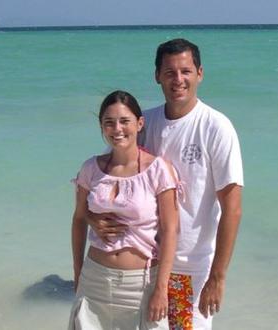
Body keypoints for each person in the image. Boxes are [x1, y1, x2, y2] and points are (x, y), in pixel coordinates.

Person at [88, 39, 243, 330]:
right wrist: (93, 217)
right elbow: (110, 181)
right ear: (157, 75)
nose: (178, 80)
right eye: (169, 72)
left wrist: (217, 277)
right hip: (144, 265)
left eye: (185, 71)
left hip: (189, 267)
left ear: (200, 73)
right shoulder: (145, 123)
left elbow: (232, 208)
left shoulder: (216, 127)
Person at [68, 90, 179, 330]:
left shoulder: (158, 169)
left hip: (140, 286)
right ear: (101, 127)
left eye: (124, 121)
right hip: (94, 280)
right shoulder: (90, 168)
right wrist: (78, 273)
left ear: (139, 123)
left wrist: (161, 288)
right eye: (109, 122)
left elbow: (171, 230)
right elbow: (78, 219)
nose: (117, 128)